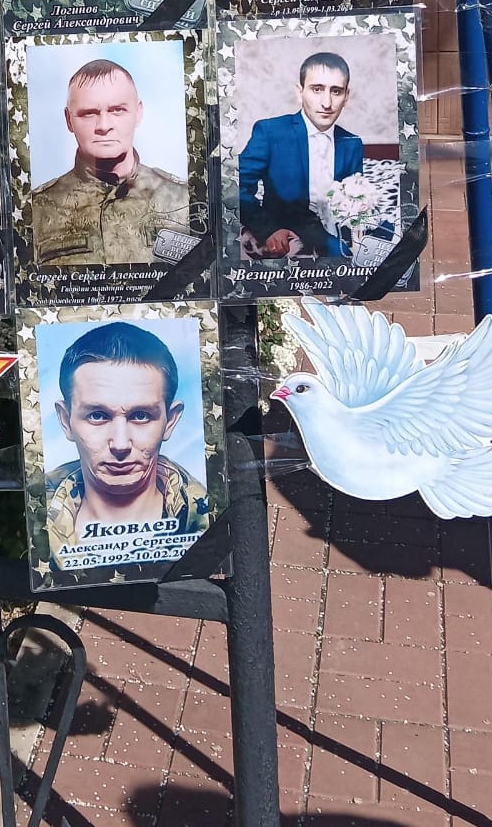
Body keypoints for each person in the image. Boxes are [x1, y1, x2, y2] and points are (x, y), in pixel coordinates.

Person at [44, 321, 209, 569]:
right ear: (65, 421)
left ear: (170, 421)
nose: (120, 444)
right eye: (97, 416)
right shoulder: (34, 525)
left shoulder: (212, 521)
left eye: (141, 416)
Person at [30, 58, 190, 266]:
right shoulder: (36, 208)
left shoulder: (182, 198)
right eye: (88, 114)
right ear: (69, 120)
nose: (104, 126)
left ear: (138, 113)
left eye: (117, 110)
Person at [237, 51, 364, 260]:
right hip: (290, 230)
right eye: (317, 89)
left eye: (336, 91)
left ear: (346, 96)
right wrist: (268, 229)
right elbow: (235, 186)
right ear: (300, 92)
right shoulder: (271, 132)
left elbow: (353, 201)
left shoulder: (352, 143)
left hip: (337, 234)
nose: (326, 103)